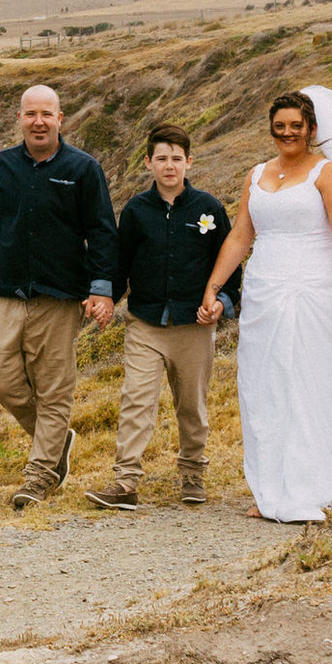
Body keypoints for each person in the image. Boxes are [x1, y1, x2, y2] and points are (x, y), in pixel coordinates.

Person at [198, 91, 332, 521]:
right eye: (280, 125)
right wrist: (213, 287)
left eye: (296, 125)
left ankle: (323, 480)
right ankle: (272, 486)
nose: (287, 132)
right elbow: (239, 237)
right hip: (265, 290)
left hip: (315, 288)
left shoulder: (328, 173)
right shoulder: (256, 175)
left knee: (315, 377)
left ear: (311, 129)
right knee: (267, 384)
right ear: (271, 129)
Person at [0, 84, 116, 509]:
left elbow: (103, 232)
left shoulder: (83, 169)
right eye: (31, 114)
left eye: (47, 114)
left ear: (61, 119)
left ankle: (40, 475)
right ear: (20, 119)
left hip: (60, 297)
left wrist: (101, 288)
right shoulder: (1, 166)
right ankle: (56, 440)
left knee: (53, 390)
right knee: (3, 384)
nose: (39, 121)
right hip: (9, 293)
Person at [95, 123, 235, 511]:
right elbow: (120, 265)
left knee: (192, 405)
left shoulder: (209, 209)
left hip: (194, 326)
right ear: (148, 163)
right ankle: (125, 482)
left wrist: (221, 301)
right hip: (145, 323)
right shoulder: (137, 211)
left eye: (176, 158)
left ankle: (192, 472)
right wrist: (106, 297)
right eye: (161, 158)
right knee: (136, 400)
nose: (169, 166)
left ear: (189, 162)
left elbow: (229, 267)